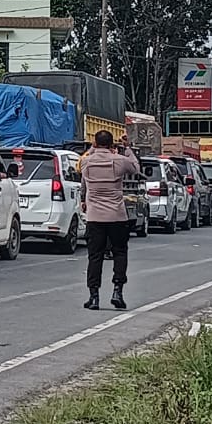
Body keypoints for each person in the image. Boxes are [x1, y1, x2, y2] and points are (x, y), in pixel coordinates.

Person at [80, 130, 140, 311]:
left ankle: (94, 297)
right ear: (112, 144)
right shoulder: (119, 160)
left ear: (95, 143)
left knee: (95, 256)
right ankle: (117, 291)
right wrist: (127, 148)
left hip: (95, 216)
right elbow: (135, 168)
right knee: (120, 253)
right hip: (116, 215)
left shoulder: (87, 162)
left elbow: (83, 181)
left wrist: (93, 149)